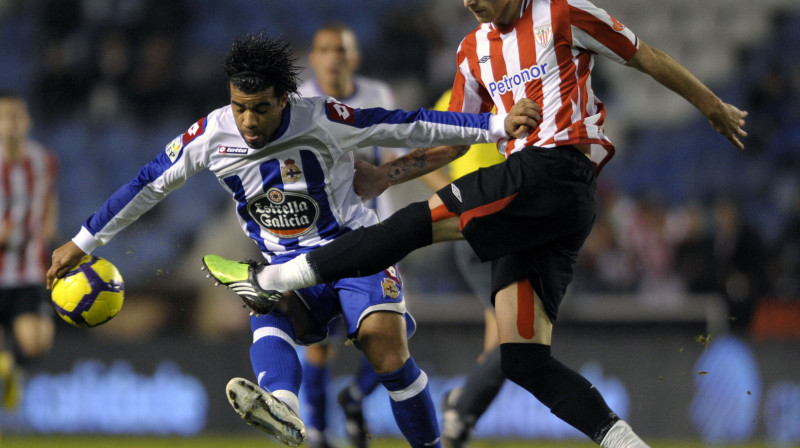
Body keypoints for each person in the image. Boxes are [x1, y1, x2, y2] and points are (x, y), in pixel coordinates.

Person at [204, 1, 748, 447]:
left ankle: (272, 279)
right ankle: (624, 442)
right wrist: (387, 175)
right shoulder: (472, 50)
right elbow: (455, 135)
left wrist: (711, 105)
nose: (469, 3)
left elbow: (644, 55)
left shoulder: (562, 13)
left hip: (554, 169)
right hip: (539, 212)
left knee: (411, 227)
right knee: (523, 358)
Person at [45, 33, 540, 447]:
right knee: (265, 297)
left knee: (386, 350)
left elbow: (407, 125)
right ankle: (283, 408)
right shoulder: (211, 135)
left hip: (355, 250)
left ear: (285, 98)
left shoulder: (322, 119)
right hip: (286, 266)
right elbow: (147, 184)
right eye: (239, 107)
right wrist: (83, 242)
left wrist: (497, 125)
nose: (248, 121)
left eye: (260, 108)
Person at [296, 24, 400, 448]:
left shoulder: (377, 95)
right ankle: (319, 434)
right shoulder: (298, 102)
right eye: (324, 49)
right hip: (321, 241)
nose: (333, 57)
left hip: (374, 238)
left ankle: (353, 398)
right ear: (313, 58)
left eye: (341, 49)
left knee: (389, 336)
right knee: (319, 344)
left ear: (354, 58)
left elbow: (392, 160)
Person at [424, 89, 507, 448]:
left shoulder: (516, 89)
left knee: (501, 341)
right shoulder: (452, 100)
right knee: (515, 336)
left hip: (515, 225)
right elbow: (423, 156)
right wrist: (460, 199)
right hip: (477, 230)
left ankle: (462, 406)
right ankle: (460, 412)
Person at [0, 91, 58, 410]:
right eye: (5, 116)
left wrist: (50, 223)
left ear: (28, 121)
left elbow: (49, 195)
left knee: (36, 343)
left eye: (17, 116)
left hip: (29, 271)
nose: (12, 123)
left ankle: (12, 367)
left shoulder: (43, 160)